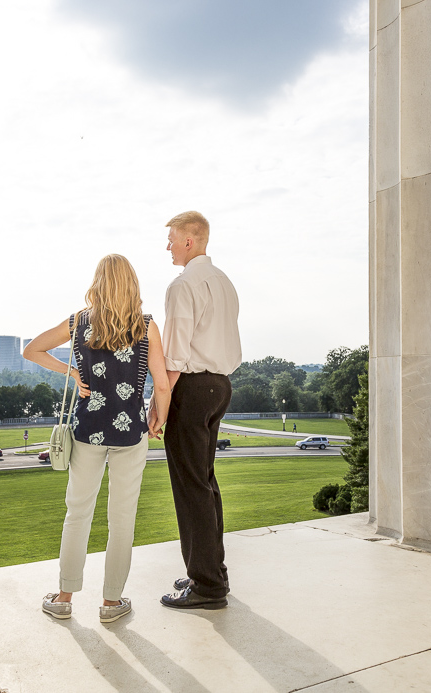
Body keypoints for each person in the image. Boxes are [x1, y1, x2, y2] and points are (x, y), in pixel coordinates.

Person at [23, 254, 171, 623]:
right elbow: (163, 384)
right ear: (132, 284)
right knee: (123, 518)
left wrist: (72, 371)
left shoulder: (78, 322)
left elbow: (31, 349)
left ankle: (63, 596)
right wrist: (158, 420)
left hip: (87, 431)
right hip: (131, 435)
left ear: (98, 282)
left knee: (78, 514)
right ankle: (110, 603)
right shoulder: (147, 326)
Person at [149, 211, 241, 610]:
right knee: (204, 483)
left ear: (189, 240)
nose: (167, 245)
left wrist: (160, 402)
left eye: (171, 238)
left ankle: (206, 585)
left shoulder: (183, 285)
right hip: (220, 387)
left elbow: (175, 352)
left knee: (191, 490)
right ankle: (210, 572)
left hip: (192, 388)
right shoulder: (224, 282)